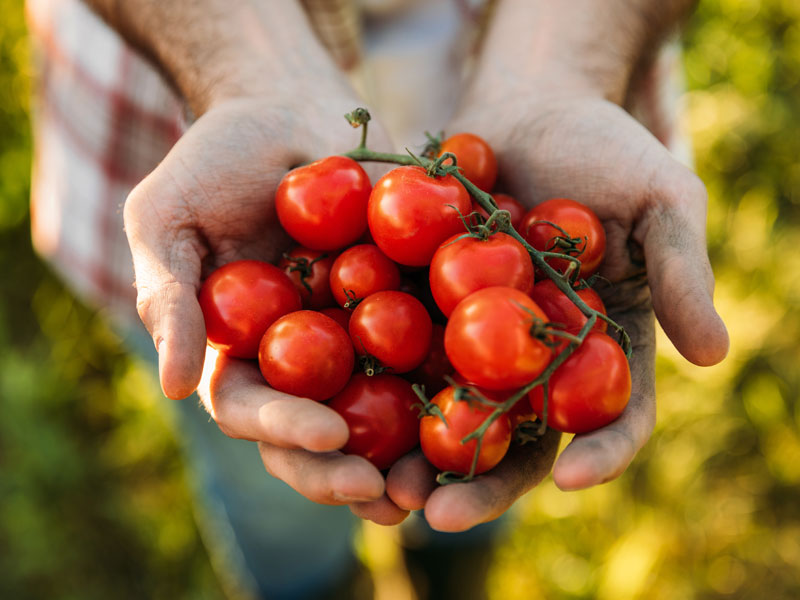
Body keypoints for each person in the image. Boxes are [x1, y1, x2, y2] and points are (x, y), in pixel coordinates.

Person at [27, 0, 729, 597]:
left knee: (478, 480)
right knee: (274, 493)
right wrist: (248, 73)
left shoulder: (507, 281)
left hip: (561, 52)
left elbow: (477, 342)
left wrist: (563, 69)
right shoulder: (504, 278)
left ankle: (452, 568)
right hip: (174, 108)